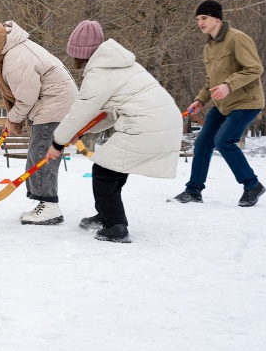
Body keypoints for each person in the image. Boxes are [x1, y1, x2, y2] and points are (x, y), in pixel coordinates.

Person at [46, 20, 182, 243]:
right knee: (114, 169)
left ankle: (115, 227)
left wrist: (58, 142)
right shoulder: (121, 66)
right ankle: (107, 214)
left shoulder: (99, 73)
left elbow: (80, 110)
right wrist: (79, 132)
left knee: (104, 173)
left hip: (145, 125)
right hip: (161, 122)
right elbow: (110, 112)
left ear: (81, 53)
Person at [0, 16, 77, 225]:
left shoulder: (16, 58)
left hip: (55, 105)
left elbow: (26, 97)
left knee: (41, 154)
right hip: (53, 104)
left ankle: (50, 206)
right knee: (38, 153)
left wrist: (12, 118)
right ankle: (45, 203)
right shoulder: (13, 50)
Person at [170, 0, 266, 207]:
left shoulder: (238, 39)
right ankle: (193, 191)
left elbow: (255, 68)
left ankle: (252, 185)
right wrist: (200, 100)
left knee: (224, 141)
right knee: (202, 143)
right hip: (222, 105)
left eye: (203, 18)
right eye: (198, 19)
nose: (200, 23)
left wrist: (229, 86)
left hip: (246, 101)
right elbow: (210, 82)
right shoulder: (209, 47)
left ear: (217, 18)